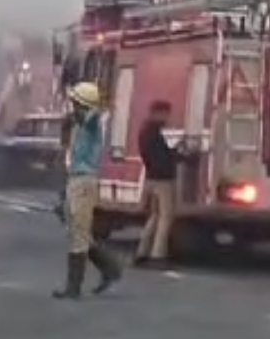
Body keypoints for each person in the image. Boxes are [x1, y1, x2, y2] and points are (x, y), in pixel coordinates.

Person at [54, 81, 123, 299]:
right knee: (77, 230)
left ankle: (74, 286)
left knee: (79, 233)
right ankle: (110, 268)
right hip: (75, 179)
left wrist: (77, 115)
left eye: (75, 102)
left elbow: (92, 114)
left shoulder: (92, 122)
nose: (72, 106)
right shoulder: (79, 126)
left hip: (85, 180)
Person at [133, 99, 182, 269]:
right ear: (158, 113)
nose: (168, 117)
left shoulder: (145, 131)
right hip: (163, 180)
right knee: (165, 217)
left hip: (150, 178)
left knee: (154, 215)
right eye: (166, 113)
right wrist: (177, 154)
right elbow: (164, 156)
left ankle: (142, 252)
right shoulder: (155, 132)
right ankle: (158, 255)